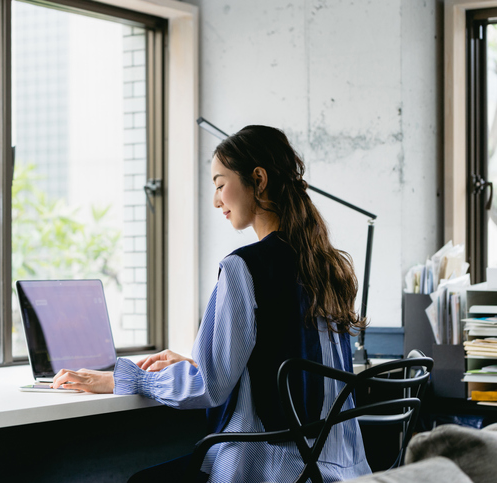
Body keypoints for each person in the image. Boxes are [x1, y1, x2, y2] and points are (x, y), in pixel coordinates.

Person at [51, 125, 372, 482]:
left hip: (273, 466)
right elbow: (286, 358)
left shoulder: (244, 267)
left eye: (220, 184)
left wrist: (127, 380)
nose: (216, 200)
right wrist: (199, 362)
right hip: (341, 469)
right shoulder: (328, 266)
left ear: (259, 179)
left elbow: (209, 386)